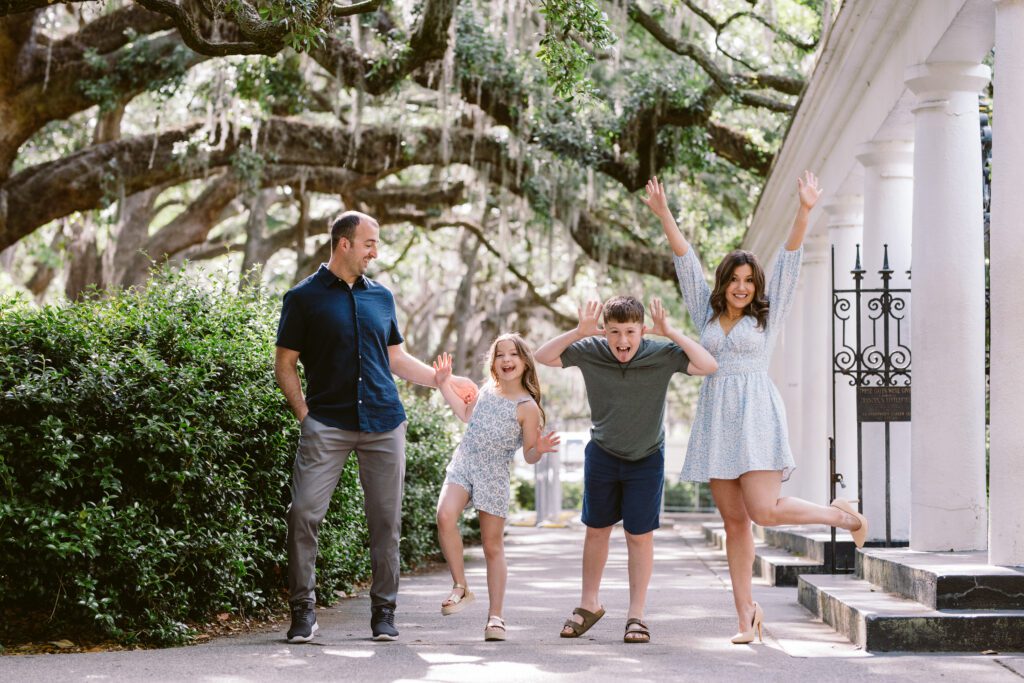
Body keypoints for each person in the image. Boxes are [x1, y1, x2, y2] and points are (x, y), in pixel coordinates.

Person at [641, 172, 868, 645]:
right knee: (734, 522)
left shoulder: (769, 313)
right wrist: (664, 215)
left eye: (749, 281)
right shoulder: (704, 313)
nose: (742, 288)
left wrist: (804, 210)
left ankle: (841, 516)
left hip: (756, 414)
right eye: (735, 280)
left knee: (763, 511)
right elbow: (687, 263)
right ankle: (746, 616)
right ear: (723, 283)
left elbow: (788, 262)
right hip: (716, 422)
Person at [274, 210, 477, 643]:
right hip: (326, 424)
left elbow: (396, 360)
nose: (375, 251)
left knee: (386, 523)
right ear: (344, 243)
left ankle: (384, 612)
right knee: (303, 514)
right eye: (369, 243)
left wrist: (442, 380)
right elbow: (285, 364)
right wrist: (305, 416)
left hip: (384, 422)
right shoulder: (303, 298)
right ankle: (303, 610)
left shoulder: (381, 297)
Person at [535, 296, 718, 644]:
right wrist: (578, 331)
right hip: (603, 453)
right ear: (604, 331)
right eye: (615, 332)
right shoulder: (590, 349)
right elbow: (541, 357)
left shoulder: (661, 354)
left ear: (642, 330)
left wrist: (671, 332)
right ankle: (589, 603)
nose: (622, 340)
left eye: (630, 332)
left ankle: (637, 614)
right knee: (597, 530)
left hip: (647, 458)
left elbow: (708, 365)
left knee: (638, 536)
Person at [431, 335, 561, 641]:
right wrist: (442, 384)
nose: (506, 360)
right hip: (464, 463)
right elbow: (465, 415)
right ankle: (460, 586)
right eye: (499, 354)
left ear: (525, 361)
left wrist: (539, 448)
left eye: (512, 354)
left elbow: (529, 455)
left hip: (494, 473)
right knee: (445, 516)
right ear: (493, 362)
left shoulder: (527, 406)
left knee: (492, 547)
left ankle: (496, 617)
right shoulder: (486, 390)